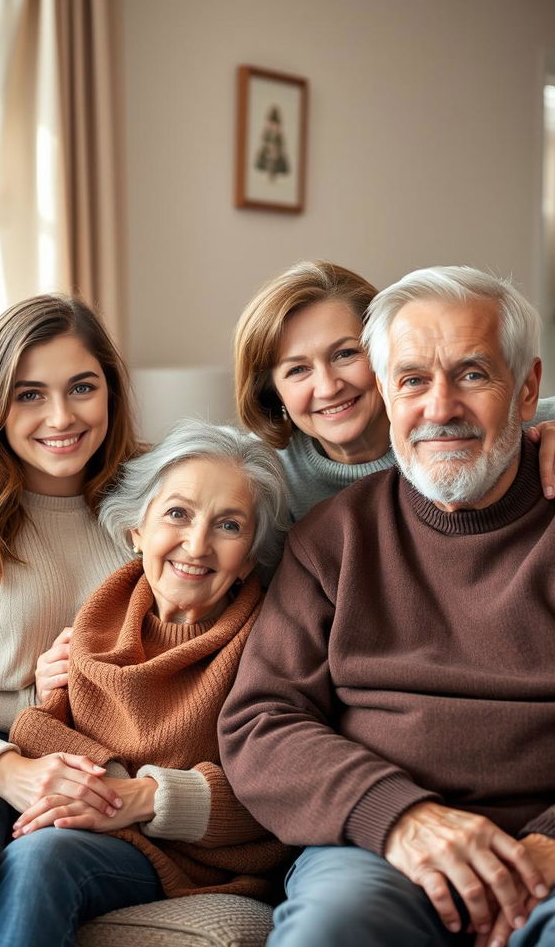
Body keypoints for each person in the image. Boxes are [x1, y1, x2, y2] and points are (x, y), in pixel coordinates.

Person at [220, 266, 555, 947]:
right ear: (385, 391)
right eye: (412, 380)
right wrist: (397, 817)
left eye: (471, 374)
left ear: (527, 390)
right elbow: (259, 721)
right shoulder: (327, 535)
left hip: (546, 845)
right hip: (377, 851)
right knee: (331, 930)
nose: (439, 408)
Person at [0, 420, 290, 947]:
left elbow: (278, 789)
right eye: (177, 514)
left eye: (229, 526)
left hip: (199, 858)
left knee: (41, 855)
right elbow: (41, 727)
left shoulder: (273, 642)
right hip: (92, 825)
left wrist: (142, 796)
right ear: (138, 529)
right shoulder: (103, 615)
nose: (197, 543)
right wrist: (108, 784)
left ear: (250, 558)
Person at [0, 294, 141, 947]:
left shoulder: (152, 507)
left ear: (111, 391)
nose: (62, 417)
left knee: (40, 860)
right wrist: (11, 765)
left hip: (92, 762)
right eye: (29, 395)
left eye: (82, 388)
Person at [235, 259, 555, 520]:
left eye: (346, 354)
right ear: (272, 391)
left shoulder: (505, 418)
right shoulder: (260, 474)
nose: (328, 387)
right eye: (297, 369)